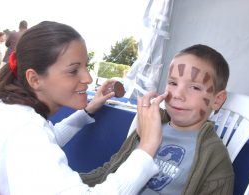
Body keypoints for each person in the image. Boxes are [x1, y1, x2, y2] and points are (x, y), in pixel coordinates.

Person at [0, 21, 167, 194]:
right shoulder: (26, 132)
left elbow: (49, 137)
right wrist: (147, 147)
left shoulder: (5, 108)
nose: (87, 78)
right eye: (73, 70)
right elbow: (33, 142)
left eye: (86, 66)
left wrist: (88, 110)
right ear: (35, 79)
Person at [80, 44, 235, 194]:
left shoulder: (214, 159)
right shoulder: (150, 127)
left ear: (217, 100)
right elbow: (111, 169)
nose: (178, 94)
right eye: (173, 83)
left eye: (194, 87)